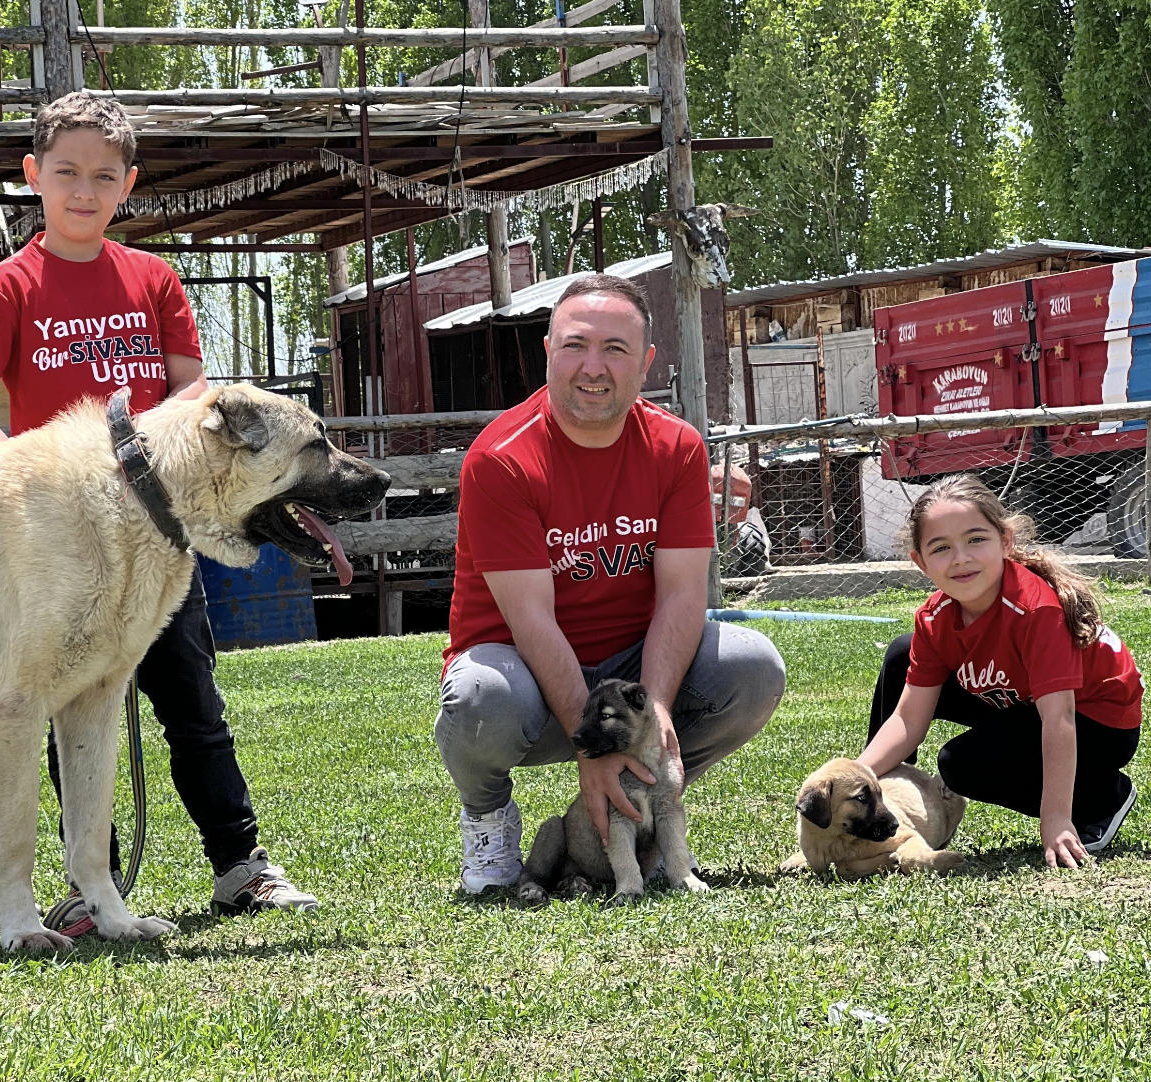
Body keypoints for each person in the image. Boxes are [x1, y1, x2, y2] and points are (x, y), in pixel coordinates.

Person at [0, 92, 317, 925]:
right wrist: (3, 458)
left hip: (157, 527)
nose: (84, 191)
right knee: (59, 700)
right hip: (55, 534)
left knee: (190, 694)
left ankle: (240, 864)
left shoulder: (154, 279)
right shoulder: (9, 285)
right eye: (67, 173)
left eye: (103, 177)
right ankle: (89, 888)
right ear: (33, 176)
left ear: (128, 186)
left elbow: (194, 396)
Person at [434, 273, 787, 893]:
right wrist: (592, 748)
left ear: (647, 362)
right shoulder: (499, 459)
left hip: (631, 673)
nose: (592, 367)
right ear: (547, 350)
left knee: (754, 666)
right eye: (575, 345)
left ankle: (640, 798)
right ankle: (488, 821)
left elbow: (683, 596)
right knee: (477, 701)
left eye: (615, 349)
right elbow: (532, 620)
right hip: (521, 672)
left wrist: (645, 722)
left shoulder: (677, 447)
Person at [860, 474, 1142, 868]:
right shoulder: (934, 617)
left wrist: (1056, 817)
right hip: (1020, 698)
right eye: (941, 547)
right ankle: (879, 804)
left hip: (1099, 722)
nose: (961, 557)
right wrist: (855, 779)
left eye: (976, 539)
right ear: (920, 562)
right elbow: (908, 719)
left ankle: (1103, 797)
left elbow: (1058, 718)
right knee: (901, 655)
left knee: (962, 765)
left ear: (1005, 541)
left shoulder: (1036, 610)